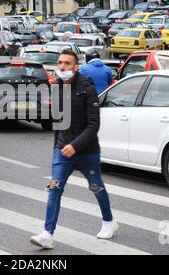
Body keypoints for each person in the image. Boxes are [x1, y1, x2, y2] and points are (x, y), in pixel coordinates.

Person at [30, 50, 117, 249]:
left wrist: (75, 145)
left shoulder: (87, 87)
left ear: (75, 67)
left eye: (67, 63)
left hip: (87, 151)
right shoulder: (56, 87)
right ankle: (47, 234)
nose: (62, 67)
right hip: (62, 151)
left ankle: (109, 221)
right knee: (55, 188)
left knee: (96, 187)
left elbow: (93, 124)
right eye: (60, 63)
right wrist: (57, 147)